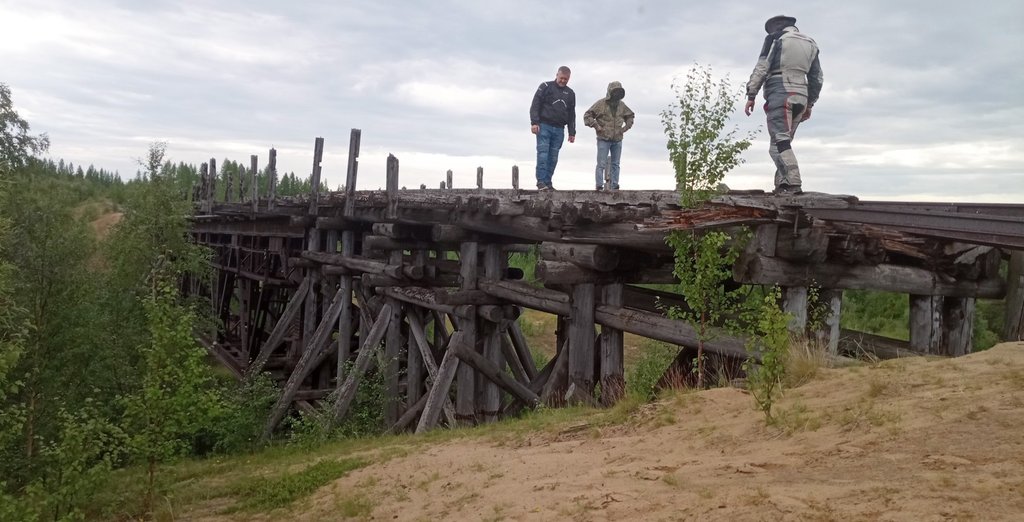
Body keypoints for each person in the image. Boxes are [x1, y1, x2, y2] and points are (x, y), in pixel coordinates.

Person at [744, 14, 823, 195]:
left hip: (780, 92)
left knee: (780, 142)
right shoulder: (811, 43)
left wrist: (751, 94)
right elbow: (816, 78)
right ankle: (782, 185)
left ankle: (793, 181)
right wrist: (810, 104)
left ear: (776, 27)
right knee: (781, 143)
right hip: (801, 95)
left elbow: (762, 67)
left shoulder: (776, 38)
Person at [530, 66, 576, 191]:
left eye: (566, 79)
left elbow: (572, 114)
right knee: (543, 154)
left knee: (553, 157)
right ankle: (541, 182)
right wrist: (534, 122)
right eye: (561, 78)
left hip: (559, 129)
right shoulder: (545, 86)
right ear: (557, 75)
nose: (563, 81)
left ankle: (548, 182)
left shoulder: (570, 93)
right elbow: (535, 104)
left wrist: (572, 132)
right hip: (544, 126)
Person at [584, 81, 634, 190]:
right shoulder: (601, 104)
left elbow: (630, 116)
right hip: (603, 139)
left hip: (617, 139)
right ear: (610, 91)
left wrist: (624, 129)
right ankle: (599, 185)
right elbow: (587, 115)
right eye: (615, 91)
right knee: (601, 163)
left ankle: (614, 185)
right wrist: (597, 126)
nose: (617, 94)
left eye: (618, 92)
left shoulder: (622, 105)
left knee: (616, 164)